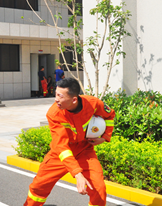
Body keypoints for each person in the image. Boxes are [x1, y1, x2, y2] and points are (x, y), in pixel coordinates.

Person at [23, 78, 115, 206]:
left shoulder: (93, 103)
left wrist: (105, 137)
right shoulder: (54, 113)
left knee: (99, 189)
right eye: (56, 94)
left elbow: (110, 115)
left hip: (84, 150)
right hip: (59, 154)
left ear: (74, 99)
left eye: (60, 96)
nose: (56, 99)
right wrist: (77, 173)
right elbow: (61, 145)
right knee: (39, 187)